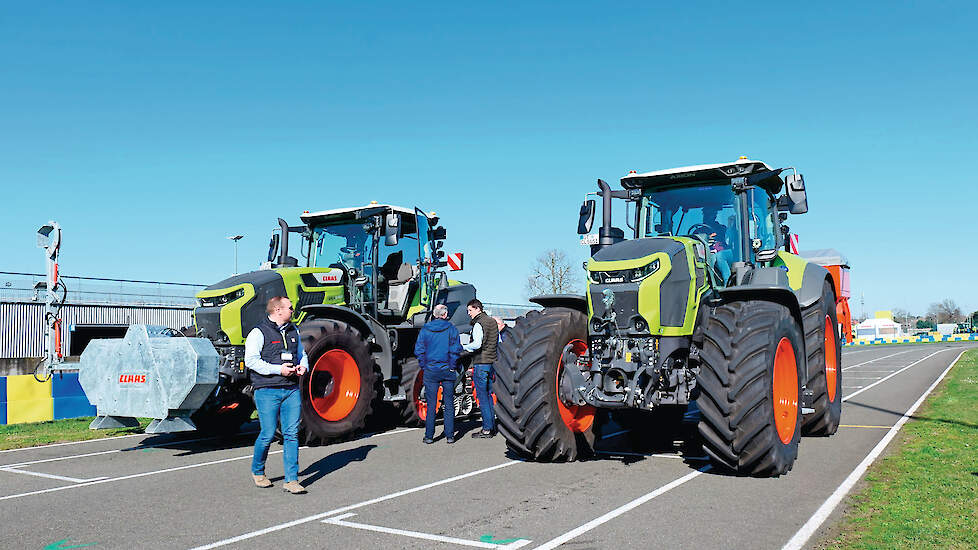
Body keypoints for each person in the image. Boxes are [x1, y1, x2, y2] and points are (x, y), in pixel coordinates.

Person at [244, 296, 308, 495]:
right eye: (289, 307)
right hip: (267, 390)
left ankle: (291, 480)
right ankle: (258, 471)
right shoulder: (258, 332)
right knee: (268, 434)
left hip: (291, 390)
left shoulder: (293, 330)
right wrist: (278, 370)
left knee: (291, 434)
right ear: (278, 310)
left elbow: (302, 354)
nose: (292, 310)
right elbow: (251, 361)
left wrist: (303, 366)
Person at [414, 303, 464, 444]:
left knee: (431, 403)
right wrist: (452, 366)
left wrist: (424, 366)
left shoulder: (425, 329)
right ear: (445, 315)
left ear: (435, 315)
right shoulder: (452, 329)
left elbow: (419, 350)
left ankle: (429, 436)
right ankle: (450, 436)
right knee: (448, 403)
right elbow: (456, 350)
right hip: (447, 370)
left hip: (431, 370)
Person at [462, 299, 499, 438]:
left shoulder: (479, 323)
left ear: (477, 309)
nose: (469, 313)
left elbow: (477, 344)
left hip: (481, 362)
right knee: (489, 396)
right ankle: (492, 426)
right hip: (491, 363)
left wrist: (463, 346)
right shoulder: (492, 322)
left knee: (482, 397)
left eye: (470, 310)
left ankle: (487, 429)